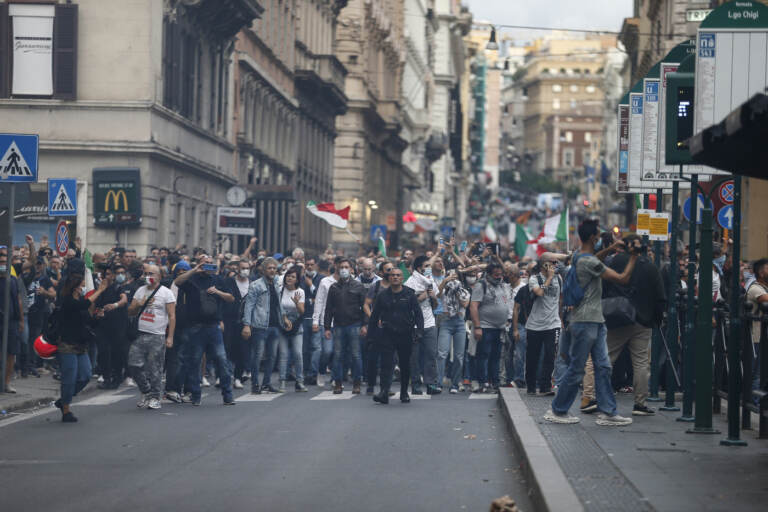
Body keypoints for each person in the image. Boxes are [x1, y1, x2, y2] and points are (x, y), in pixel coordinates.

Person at [545, 219, 638, 426]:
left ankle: (608, 412)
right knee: (578, 368)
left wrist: (611, 248)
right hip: (586, 320)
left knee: (603, 366)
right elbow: (622, 278)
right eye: (598, 234)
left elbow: (594, 259)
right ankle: (558, 410)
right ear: (593, 237)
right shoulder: (588, 262)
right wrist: (633, 257)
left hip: (595, 320)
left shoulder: (580, 255)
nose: (600, 237)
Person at [600, 234, 666, 416]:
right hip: (643, 321)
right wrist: (655, 319)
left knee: (606, 358)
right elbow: (660, 297)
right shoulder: (651, 267)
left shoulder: (615, 261)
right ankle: (640, 404)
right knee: (641, 363)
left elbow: (603, 286)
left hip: (618, 316)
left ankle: (598, 397)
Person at [174, 256, 236, 406]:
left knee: (221, 359)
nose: (207, 266)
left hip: (213, 326)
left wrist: (217, 292)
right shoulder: (192, 278)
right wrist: (194, 269)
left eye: (210, 263)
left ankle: (227, 394)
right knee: (194, 361)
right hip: (195, 327)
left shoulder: (219, 279)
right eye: (204, 263)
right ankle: (195, 395)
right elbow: (177, 282)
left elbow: (231, 298)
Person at [53, 259, 109, 422]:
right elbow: (83, 305)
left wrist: (97, 317)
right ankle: (66, 410)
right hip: (67, 345)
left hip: (81, 346)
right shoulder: (68, 301)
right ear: (75, 285)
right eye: (82, 283)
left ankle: (64, 398)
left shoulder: (81, 301)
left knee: (85, 375)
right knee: (69, 379)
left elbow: (88, 322)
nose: (84, 286)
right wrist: (100, 290)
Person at [368, 267, 424, 404]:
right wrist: (371, 336)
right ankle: (384, 392)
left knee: (405, 364)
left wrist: (419, 331)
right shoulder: (383, 295)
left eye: (398, 275)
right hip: (387, 334)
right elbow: (374, 317)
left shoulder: (409, 294)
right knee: (386, 364)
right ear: (389, 277)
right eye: (392, 275)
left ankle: (404, 392)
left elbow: (418, 314)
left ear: (402, 278)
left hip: (405, 333)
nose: (395, 277)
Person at [126, 264, 176, 410]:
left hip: (157, 335)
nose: (149, 276)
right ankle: (146, 391)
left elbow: (172, 316)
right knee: (133, 364)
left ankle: (155, 397)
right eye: (146, 273)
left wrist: (170, 337)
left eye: (152, 274)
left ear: (159, 276)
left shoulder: (166, 293)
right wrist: (139, 305)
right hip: (140, 334)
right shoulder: (140, 291)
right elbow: (130, 311)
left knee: (154, 368)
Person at [241, 257, 285, 394]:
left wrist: (284, 317)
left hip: (275, 325)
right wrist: (247, 324)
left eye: (274, 268)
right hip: (259, 325)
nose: (272, 270)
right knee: (258, 356)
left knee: (272, 356)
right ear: (263, 270)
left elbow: (278, 303)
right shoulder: (256, 285)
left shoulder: (277, 283)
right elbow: (249, 306)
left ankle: (266, 383)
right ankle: (255, 384)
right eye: (269, 268)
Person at [324, 258, 367, 394]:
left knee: (356, 355)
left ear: (351, 269)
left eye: (346, 267)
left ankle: (357, 383)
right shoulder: (334, 287)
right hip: (338, 326)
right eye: (341, 267)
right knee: (337, 356)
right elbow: (329, 309)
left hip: (355, 324)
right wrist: (326, 327)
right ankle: (337, 383)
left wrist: (365, 324)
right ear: (337, 269)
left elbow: (365, 306)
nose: (343, 269)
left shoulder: (358, 286)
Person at [469, 261, 509, 393]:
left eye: (500, 274)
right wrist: (478, 327)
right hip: (485, 327)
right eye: (496, 275)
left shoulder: (501, 285)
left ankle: (495, 382)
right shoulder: (481, 285)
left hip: (499, 328)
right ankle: (483, 382)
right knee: (483, 355)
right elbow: (473, 306)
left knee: (496, 356)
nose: (499, 277)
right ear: (489, 274)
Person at [524, 258, 562, 396]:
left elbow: (560, 298)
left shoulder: (559, 279)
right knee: (532, 357)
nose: (552, 267)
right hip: (535, 325)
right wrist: (549, 278)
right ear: (542, 267)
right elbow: (539, 293)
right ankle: (531, 385)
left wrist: (561, 319)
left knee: (550, 355)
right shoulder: (534, 279)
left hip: (553, 324)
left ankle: (546, 386)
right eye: (548, 264)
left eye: (553, 264)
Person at [405, 255, 439, 394]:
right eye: (426, 266)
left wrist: (433, 298)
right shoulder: (410, 283)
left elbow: (435, 305)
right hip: (414, 326)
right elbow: (407, 305)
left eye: (429, 266)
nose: (429, 269)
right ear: (419, 268)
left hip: (430, 323)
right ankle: (416, 385)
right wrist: (421, 297)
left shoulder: (431, 282)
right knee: (414, 357)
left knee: (431, 354)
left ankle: (430, 384)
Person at [94, 264, 129, 389]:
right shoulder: (99, 289)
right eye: (105, 274)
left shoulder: (118, 287)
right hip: (103, 325)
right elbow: (95, 305)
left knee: (116, 352)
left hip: (117, 325)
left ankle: (117, 377)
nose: (106, 277)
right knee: (103, 351)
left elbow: (124, 299)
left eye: (109, 274)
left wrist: (114, 305)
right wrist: (98, 312)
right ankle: (106, 378)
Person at [363, 260, 395, 394]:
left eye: (392, 269)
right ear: (381, 273)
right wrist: (373, 318)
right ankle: (370, 384)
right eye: (388, 270)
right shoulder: (375, 287)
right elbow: (366, 304)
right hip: (376, 329)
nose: (391, 272)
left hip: (392, 328)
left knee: (389, 359)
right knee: (373, 357)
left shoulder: (396, 286)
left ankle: (385, 387)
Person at [437, 269, 471, 393]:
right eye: (450, 276)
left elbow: (464, 304)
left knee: (459, 356)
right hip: (446, 321)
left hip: (459, 323)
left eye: (455, 276)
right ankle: (439, 383)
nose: (453, 278)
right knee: (442, 354)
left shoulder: (465, 291)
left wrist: (456, 290)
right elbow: (436, 294)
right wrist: (445, 281)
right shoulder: (444, 291)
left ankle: (455, 384)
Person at [278, 266, 307, 392]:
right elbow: (277, 308)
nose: (289, 278)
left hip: (296, 325)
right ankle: (282, 381)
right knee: (283, 354)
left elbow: (302, 312)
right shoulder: (279, 290)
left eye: (293, 276)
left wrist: (296, 303)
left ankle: (299, 381)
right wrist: (284, 319)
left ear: (297, 280)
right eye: (288, 276)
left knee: (298, 354)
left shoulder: (300, 292)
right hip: (282, 324)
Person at [223, 259, 251, 389]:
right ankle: (223, 375)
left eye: (247, 268)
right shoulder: (229, 282)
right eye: (243, 268)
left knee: (242, 349)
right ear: (238, 269)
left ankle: (238, 377)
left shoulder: (252, 283)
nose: (246, 270)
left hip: (245, 321)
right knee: (227, 348)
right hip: (229, 319)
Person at [0, 253, 24, 393]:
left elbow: (18, 300)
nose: (2, 263)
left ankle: (6, 383)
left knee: (11, 353)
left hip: (11, 322)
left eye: (4, 261)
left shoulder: (13, 280)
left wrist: (21, 319)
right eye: (0, 261)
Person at [312, 258, 339, 378]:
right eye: (340, 266)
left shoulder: (351, 281)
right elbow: (318, 301)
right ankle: (321, 371)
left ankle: (335, 378)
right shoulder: (325, 281)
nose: (342, 269)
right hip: (326, 321)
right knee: (327, 351)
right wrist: (315, 320)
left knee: (338, 352)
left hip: (342, 322)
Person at [746, 258, 768, 394]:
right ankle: (755, 404)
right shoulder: (755, 289)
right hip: (756, 338)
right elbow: (765, 299)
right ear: (761, 273)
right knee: (757, 373)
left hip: (763, 337)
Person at [301, 257, 323, 385]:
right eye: (307, 264)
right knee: (305, 349)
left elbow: (320, 297)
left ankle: (313, 373)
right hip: (304, 317)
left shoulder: (321, 279)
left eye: (312, 264)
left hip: (316, 318)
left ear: (316, 265)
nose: (309, 267)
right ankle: (305, 372)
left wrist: (311, 286)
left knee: (316, 348)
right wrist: (310, 300)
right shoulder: (301, 279)